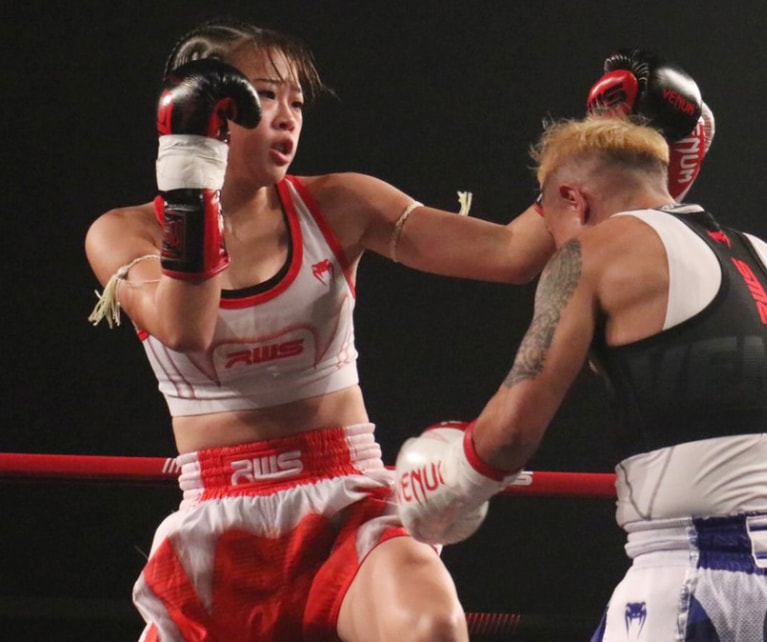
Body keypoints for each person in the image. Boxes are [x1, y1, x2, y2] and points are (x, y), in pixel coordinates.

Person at [84, 17, 557, 642]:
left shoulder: (340, 204)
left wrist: (606, 155)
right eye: (263, 95)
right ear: (206, 109)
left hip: (349, 504)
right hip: (220, 524)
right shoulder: (123, 233)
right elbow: (185, 325)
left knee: (430, 627)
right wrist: (191, 171)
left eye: (297, 101)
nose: (287, 117)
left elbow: (511, 254)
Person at [395, 113, 767, 640]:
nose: (553, 243)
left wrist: (445, 484)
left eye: (549, 225)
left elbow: (510, 434)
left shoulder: (593, 251)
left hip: (694, 577)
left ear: (573, 200)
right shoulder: (763, 258)